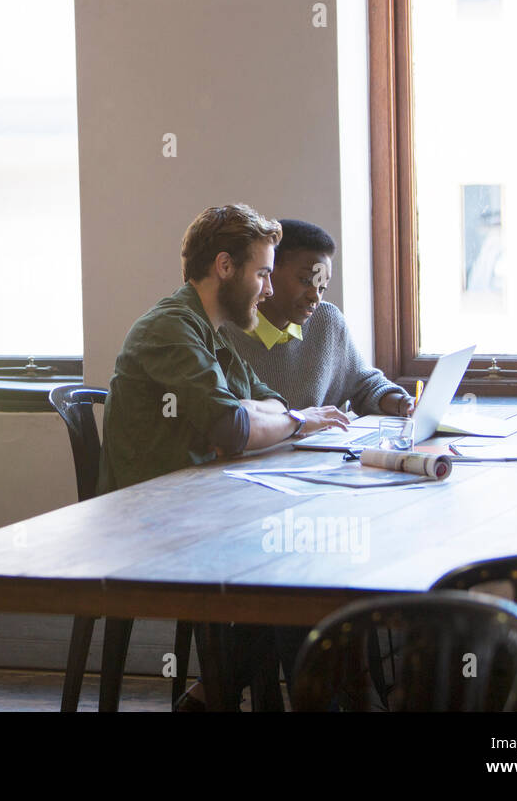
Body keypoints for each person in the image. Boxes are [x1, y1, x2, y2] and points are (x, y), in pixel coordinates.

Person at [96, 204, 349, 709]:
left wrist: (272, 416)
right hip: (148, 525)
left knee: (295, 563)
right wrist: (296, 421)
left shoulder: (210, 331)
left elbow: (267, 401)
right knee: (292, 567)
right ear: (225, 267)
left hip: (196, 506)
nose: (270, 289)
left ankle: (215, 695)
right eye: (262, 273)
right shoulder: (171, 329)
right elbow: (236, 427)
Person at [225, 219, 414, 417]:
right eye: (306, 281)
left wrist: (403, 403)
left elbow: (365, 385)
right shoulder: (223, 331)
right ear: (268, 272)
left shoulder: (327, 320)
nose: (315, 295)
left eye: (322, 286)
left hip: (318, 447)